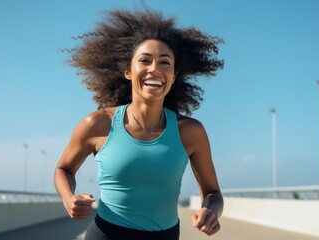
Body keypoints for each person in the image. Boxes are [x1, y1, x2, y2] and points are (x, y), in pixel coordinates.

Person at [54, 7, 224, 240]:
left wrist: (211, 211)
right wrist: (68, 198)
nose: (154, 68)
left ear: (173, 76)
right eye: (145, 60)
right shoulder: (97, 123)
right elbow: (64, 169)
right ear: (128, 71)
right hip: (106, 234)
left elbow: (213, 193)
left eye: (165, 63)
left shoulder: (190, 132)